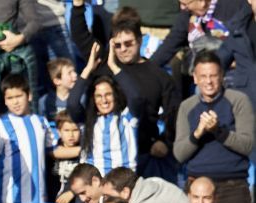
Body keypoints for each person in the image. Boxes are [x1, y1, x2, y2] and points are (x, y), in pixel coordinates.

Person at [69, 6, 180, 178]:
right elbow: (79, 34)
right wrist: (77, 7)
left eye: (128, 43)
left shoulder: (159, 76)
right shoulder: (104, 65)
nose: (123, 49)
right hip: (105, 156)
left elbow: (173, 114)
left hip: (144, 153)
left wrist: (165, 141)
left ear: (140, 40)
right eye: (118, 45)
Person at [173, 51, 254, 203]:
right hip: (197, 189)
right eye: (203, 76)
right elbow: (179, 153)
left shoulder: (239, 100)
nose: (208, 82)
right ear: (195, 78)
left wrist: (218, 131)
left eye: (213, 76)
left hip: (232, 188)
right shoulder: (187, 107)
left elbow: (247, 145)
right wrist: (198, 133)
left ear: (222, 76)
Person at [67, 41, 142, 174]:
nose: (104, 100)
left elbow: (135, 97)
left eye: (108, 94)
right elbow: (72, 103)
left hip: (122, 184)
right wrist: (88, 69)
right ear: (93, 100)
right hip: (95, 185)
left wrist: (113, 66)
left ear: (115, 95)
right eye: (99, 96)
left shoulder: (127, 118)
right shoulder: (88, 121)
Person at [0, 74, 59, 203]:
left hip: (39, 198)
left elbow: (53, 150)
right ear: (5, 101)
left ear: (29, 96)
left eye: (19, 96)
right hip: (10, 200)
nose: (15, 102)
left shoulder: (41, 121)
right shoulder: (1, 124)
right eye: (10, 98)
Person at [51, 111, 82, 203]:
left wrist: (73, 192)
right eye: (67, 130)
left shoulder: (85, 155)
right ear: (59, 132)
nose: (71, 135)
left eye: (75, 130)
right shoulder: (52, 153)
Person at [38, 57, 77, 122]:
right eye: (69, 73)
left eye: (74, 71)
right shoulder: (44, 101)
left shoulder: (81, 98)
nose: (75, 75)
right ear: (57, 81)